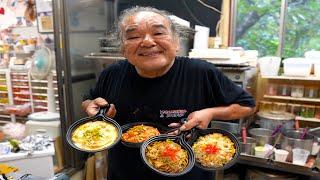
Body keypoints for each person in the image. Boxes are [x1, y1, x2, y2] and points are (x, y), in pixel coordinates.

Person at [82, 6, 255, 180]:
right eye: (134, 36)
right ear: (123, 49)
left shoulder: (201, 73)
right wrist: (91, 106)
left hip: (186, 173)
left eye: (158, 33)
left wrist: (210, 113)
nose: (148, 42)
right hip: (124, 173)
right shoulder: (112, 74)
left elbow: (247, 105)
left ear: (177, 42)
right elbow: (89, 100)